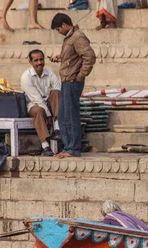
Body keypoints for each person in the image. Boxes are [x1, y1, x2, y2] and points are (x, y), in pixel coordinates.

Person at [50, 13, 96, 159]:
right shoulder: (70, 38)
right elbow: (73, 57)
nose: (59, 32)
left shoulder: (78, 37)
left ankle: (73, 149)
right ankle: (69, 146)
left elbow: (89, 56)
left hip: (72, 81)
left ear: (64, 25)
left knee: (70, 116)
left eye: (58, 29)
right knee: (63, 116)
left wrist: (81, 75)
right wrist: (60, 57)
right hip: (66, 80)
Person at [20, 49, 61, 157]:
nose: (39, 63)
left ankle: (57, 129)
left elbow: (58, 89)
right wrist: (48, 115)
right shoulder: (26, 77)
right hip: (33, 104)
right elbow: (36, 99)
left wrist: (50, 112)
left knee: (56, 93)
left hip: (48, 103)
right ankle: (45, 146)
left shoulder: (50, 74)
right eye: (36, 60)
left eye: (41, 59)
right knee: (39, 110)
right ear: (30, 62)